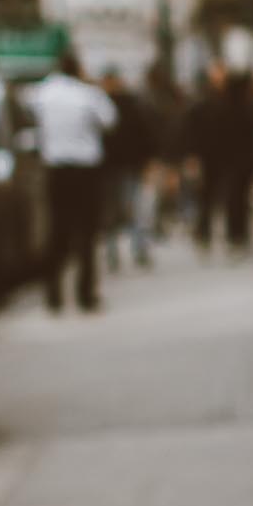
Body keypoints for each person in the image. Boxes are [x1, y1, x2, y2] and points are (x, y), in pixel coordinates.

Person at [30, 47, 116, 312]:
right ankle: (85, 294)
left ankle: (53, 294)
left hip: (56, 168)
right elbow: (110, 120)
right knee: (86, 233)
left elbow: (33, 115)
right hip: (84, 169)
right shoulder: (87, 94)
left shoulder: (44, 93)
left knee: (57, 231)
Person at [183, 61, 253, 252]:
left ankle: (235, 236)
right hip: (211, 157)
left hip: (235, 158)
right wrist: (193, 156)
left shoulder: (239, 103)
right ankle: (205, 235)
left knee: (236, 198)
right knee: (207, 197)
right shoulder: (203, 103)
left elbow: (250, 132)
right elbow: (193, 132)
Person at [100, 71, 156, 273]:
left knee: (115, 211)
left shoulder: (104, 106)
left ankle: (117, 252)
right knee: (132, 208)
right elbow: (146, 134)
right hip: (127, 165)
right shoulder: (131, 105)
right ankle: (136, 249)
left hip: (113, 167)